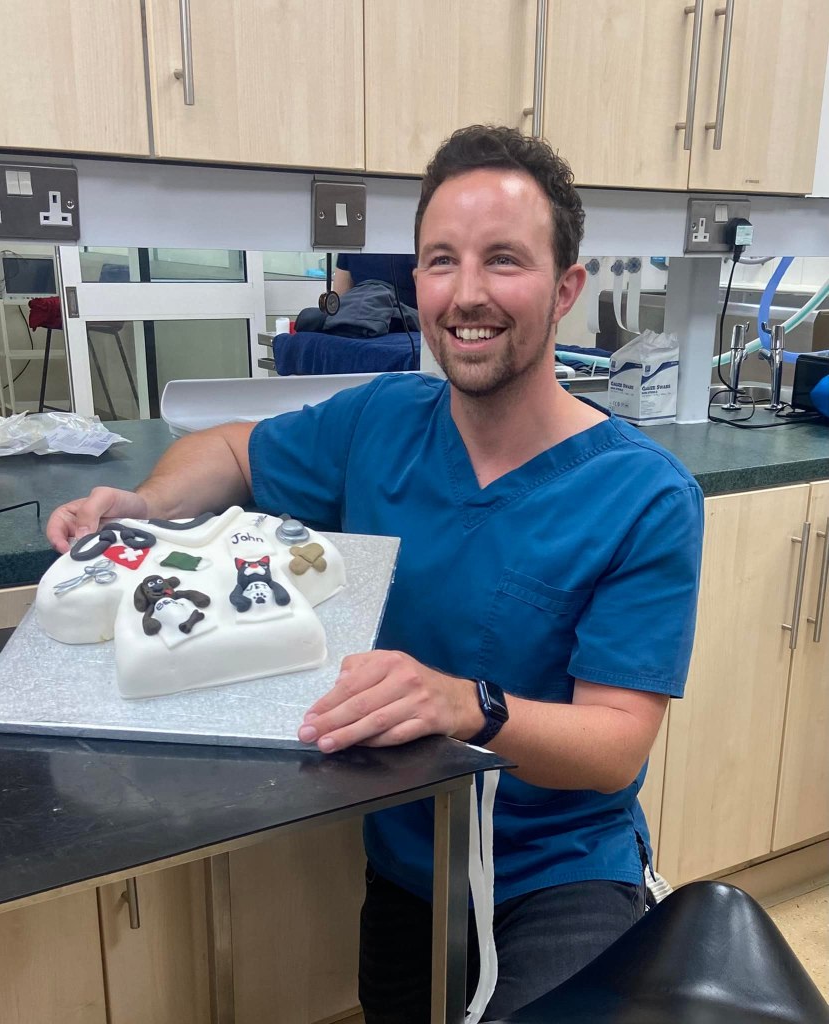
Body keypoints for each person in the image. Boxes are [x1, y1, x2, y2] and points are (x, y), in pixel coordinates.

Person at [47, 125, 703, 1022]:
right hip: (409, 858)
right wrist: (146, 505)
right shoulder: (381, 424)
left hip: (560, 872)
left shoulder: (642, 495)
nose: (467, 294)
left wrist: (468, 704)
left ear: (566, 290)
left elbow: (615, 743)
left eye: (504, 260)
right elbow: (232, 449)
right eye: (441, 261)